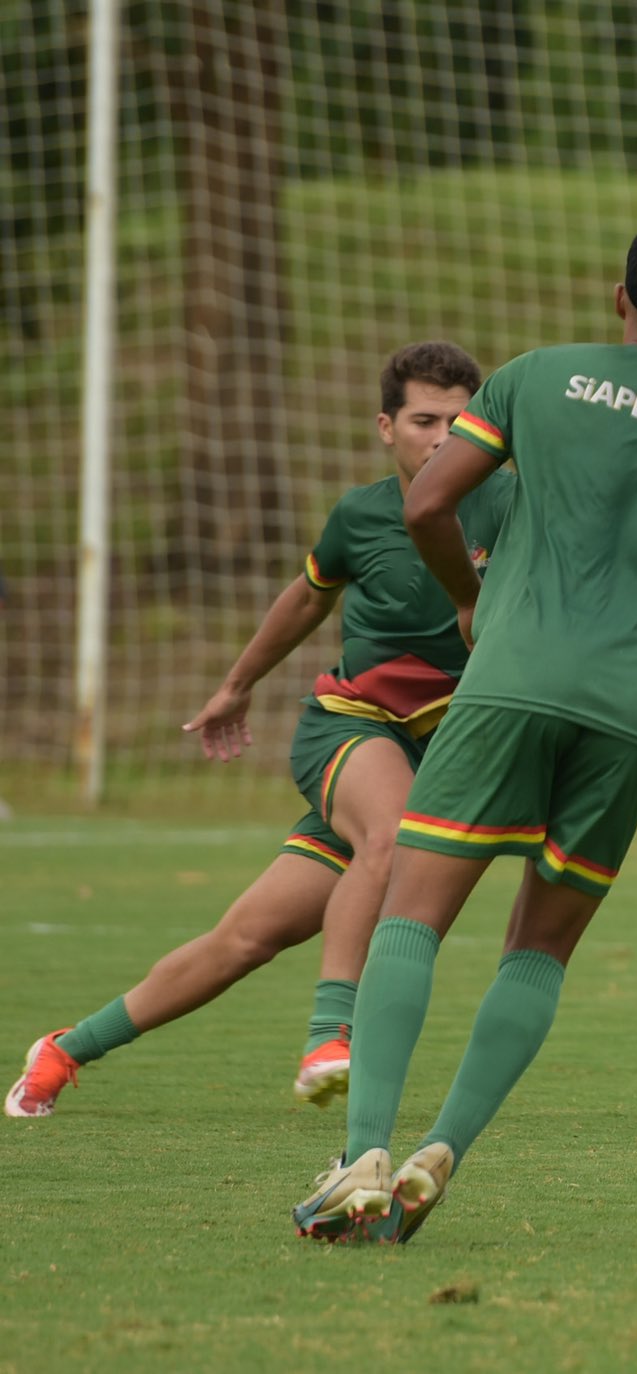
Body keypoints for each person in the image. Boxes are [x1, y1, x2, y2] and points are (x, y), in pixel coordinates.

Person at [291, 223, 637, 1243]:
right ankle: (443, 1150)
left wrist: (470, 600)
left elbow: (428, 504)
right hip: (627, 717)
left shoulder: (529, 380)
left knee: (411, 917)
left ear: (619, 299)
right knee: (540, 948)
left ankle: (366, 1153)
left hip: (508, 687)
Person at [6, 342, 513, 1118]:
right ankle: (328, 1037)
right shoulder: (360, 515)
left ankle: (65, 1049)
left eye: (458, 420)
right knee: (388, 838)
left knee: (244, 939)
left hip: (439, 753)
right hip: (350, 728)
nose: (443, 437)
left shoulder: (511, 505)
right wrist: (236, 687)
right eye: (423, 421)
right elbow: (306, 599)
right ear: (386, 427)